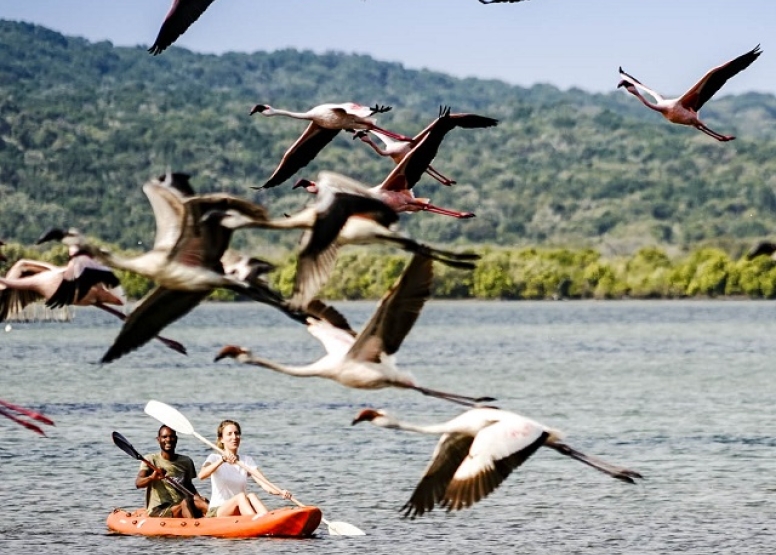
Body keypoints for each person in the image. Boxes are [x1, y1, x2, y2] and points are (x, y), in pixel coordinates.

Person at [198, 419, 291, 517]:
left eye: (236, 433)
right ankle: (254, 521)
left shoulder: (246, 460)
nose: (234, 437)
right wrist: (222, 460)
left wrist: (280, 492)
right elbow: (201, 475)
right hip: (218, 511)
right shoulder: (214, 458)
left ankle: (266, 518)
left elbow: (264, 483)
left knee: (251, 496)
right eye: (229, 434)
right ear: (221, 439)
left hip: (239, 508)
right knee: (241, 497)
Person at [135, 425, 209, 518]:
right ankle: (193, 529)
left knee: (202, 501)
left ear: (176, 439)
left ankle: (219, 518)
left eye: (172, 436)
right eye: (164, 437)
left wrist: (199, 499)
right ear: (158, 440)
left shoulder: (186, 461)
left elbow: (189, 486)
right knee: (185, 502)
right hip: (159, 509)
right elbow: (138, 483)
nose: (168, 440)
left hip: (182, 503)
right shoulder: (150, 460)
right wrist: (152, 477)